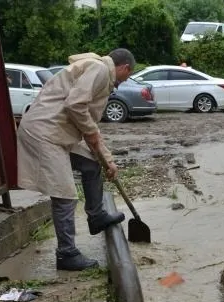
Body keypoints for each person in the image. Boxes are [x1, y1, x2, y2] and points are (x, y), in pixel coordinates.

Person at [16, 49, 136, 271]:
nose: (123, 82)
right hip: (45, 133)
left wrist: (108, 160)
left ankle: (96, 216)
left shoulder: (97, 69)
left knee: (93, 162)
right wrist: (90, 132)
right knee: (65, 194)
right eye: (127, 77)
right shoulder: (100, 69)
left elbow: (89, 126)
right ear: (125, 68)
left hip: (59, 131)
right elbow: (76, 105)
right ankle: (67, 254)